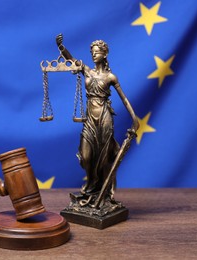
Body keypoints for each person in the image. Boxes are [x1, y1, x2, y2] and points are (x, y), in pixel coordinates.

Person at [56, 34, 139, 204]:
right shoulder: (87, 70)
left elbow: (123, 98)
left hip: (104, 118)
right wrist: (62, 48)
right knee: (86, 156)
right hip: (90, 119)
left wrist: (134, 118)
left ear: (104, 54)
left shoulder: (110, 77)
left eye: (96, 52)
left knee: (103, 157)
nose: (93, 55)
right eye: (92, 52)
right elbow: (71, 59)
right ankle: (92, 185)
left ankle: (102, 192)